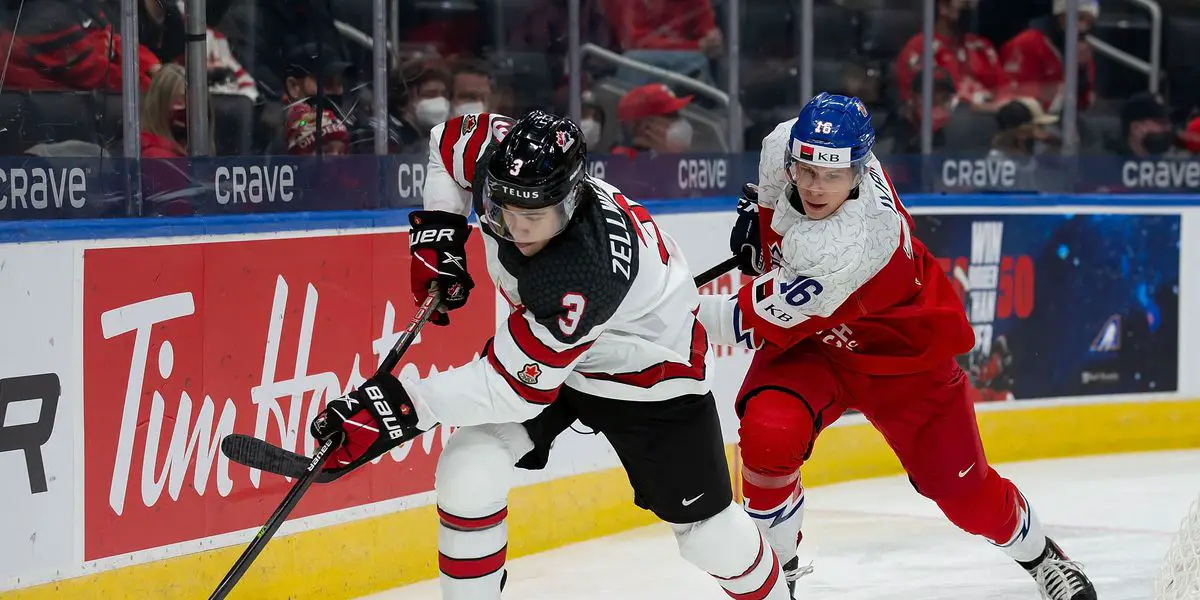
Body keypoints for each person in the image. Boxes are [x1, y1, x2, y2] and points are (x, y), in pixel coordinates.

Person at [307, 109, 791, 600]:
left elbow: (512, 390)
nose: (514, 227)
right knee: (470, 469)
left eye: (533, 216)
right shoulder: (502, 161)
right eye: (502, 210)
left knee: (707, 537)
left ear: (572, 198)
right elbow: (447, 143)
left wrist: (398, 406)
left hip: (649, 373)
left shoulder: (581, 273)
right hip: (562, 354)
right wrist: (441, 229)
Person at [697, 93, 1098, 600]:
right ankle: (776, 580)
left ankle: (1044, 559)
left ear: (860, 173)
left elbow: (734, 322)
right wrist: (761, 230)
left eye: (832, 176)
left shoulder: (852, 242)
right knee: (769, 435)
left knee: (962, 493)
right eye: (806, 170)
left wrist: (649, 309)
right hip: (817, 344)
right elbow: (775, 214)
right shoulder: (784, 144)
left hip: (902, 357)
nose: (816, 187)